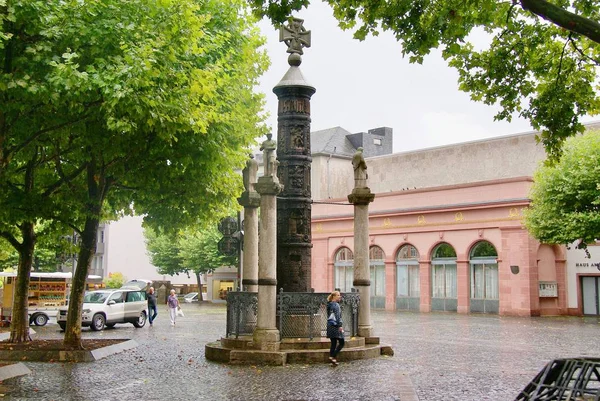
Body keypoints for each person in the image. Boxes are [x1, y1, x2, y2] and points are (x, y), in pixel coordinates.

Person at [326, 290, 344, 366]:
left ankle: (333, 359)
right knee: (342, 342)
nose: (340, 296)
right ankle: (332, 356)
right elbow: (337, 316)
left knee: (333, 343)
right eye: (338, 295)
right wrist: (340, 325)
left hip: (330, 326)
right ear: (334, 297)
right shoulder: (336, 305)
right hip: (336, 326)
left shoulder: (329, 304)